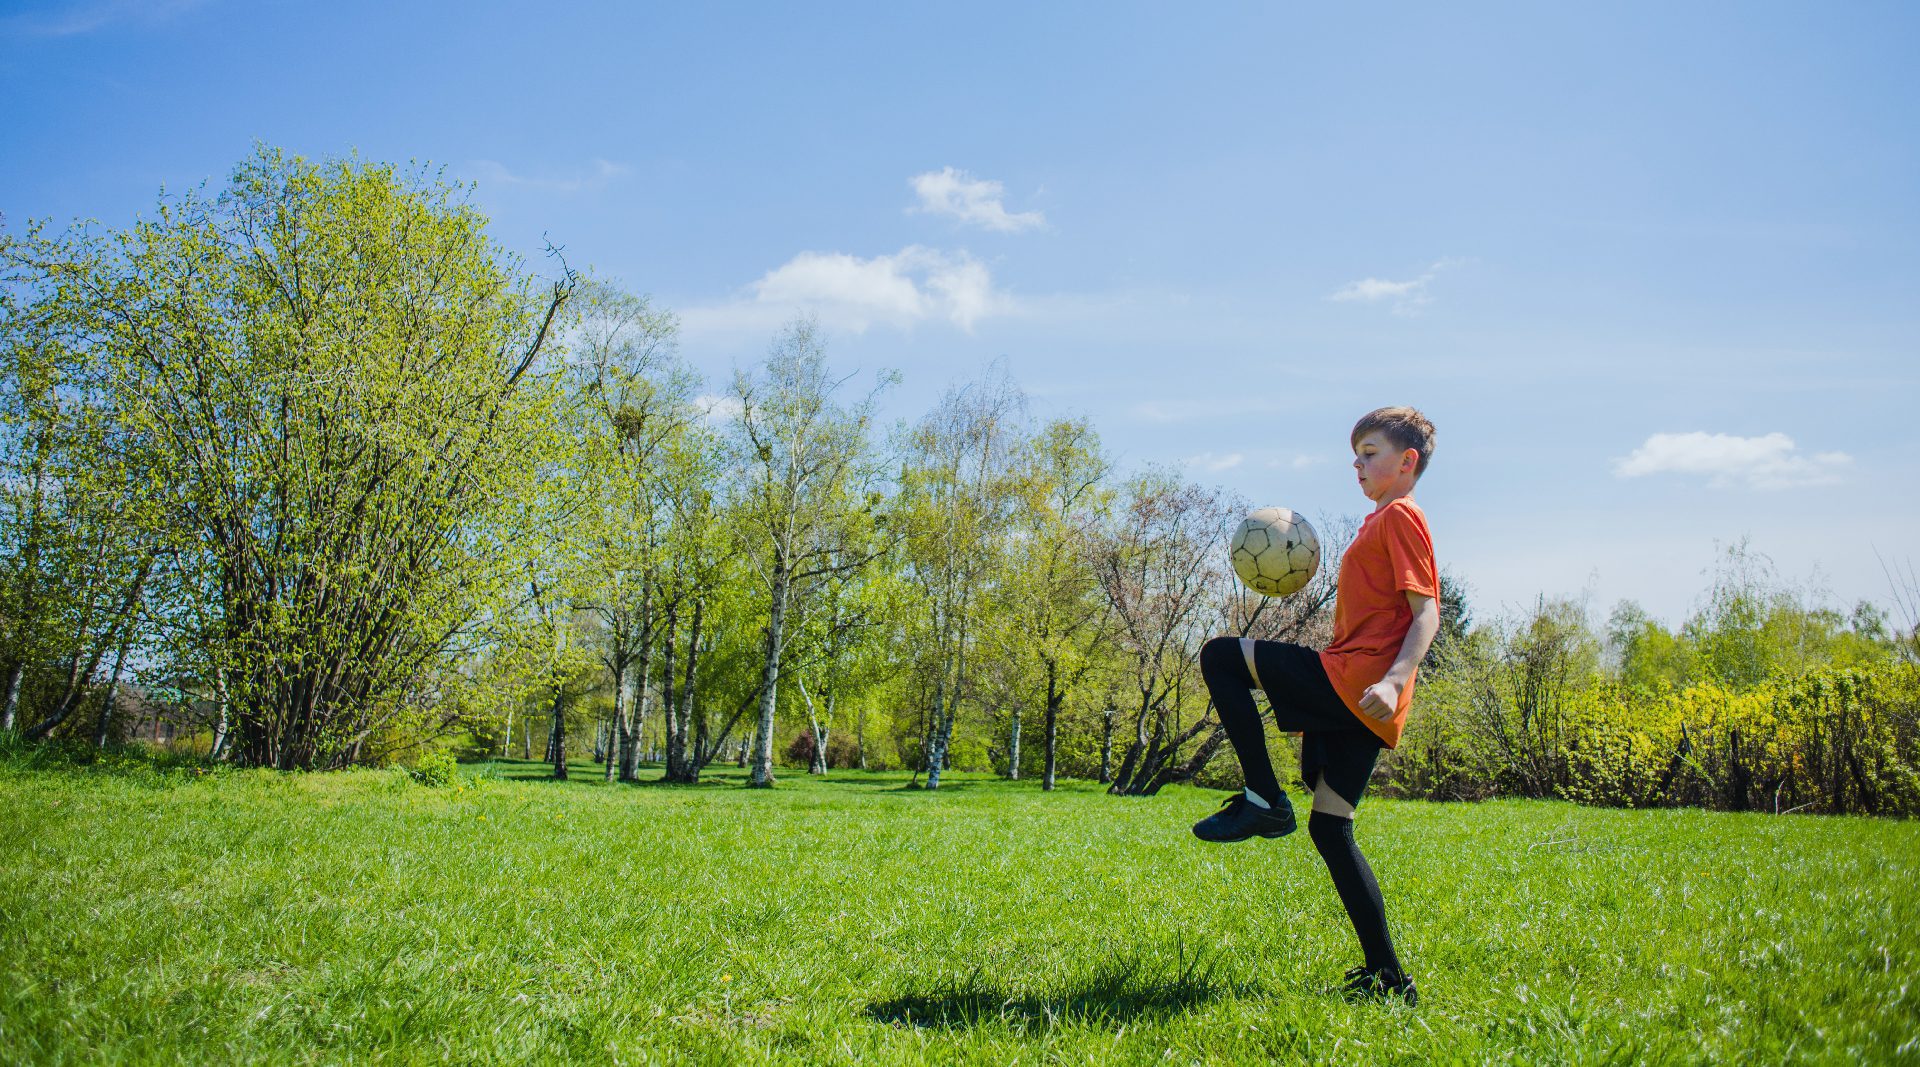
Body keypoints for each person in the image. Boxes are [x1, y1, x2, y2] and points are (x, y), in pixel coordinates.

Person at [1191, 405, 1440, 1006]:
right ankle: (1388, 976)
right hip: (1363, 700)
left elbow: (1426, 611)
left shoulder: (1401, 517)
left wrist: (1395, 680)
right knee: (1332, 830)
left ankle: (1263, 798)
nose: (1357, 463)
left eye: (1371, 451)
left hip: (1357, 683)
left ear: (1407, 461)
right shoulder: (1374, 523)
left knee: (1222, 657)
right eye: (1355, 453)